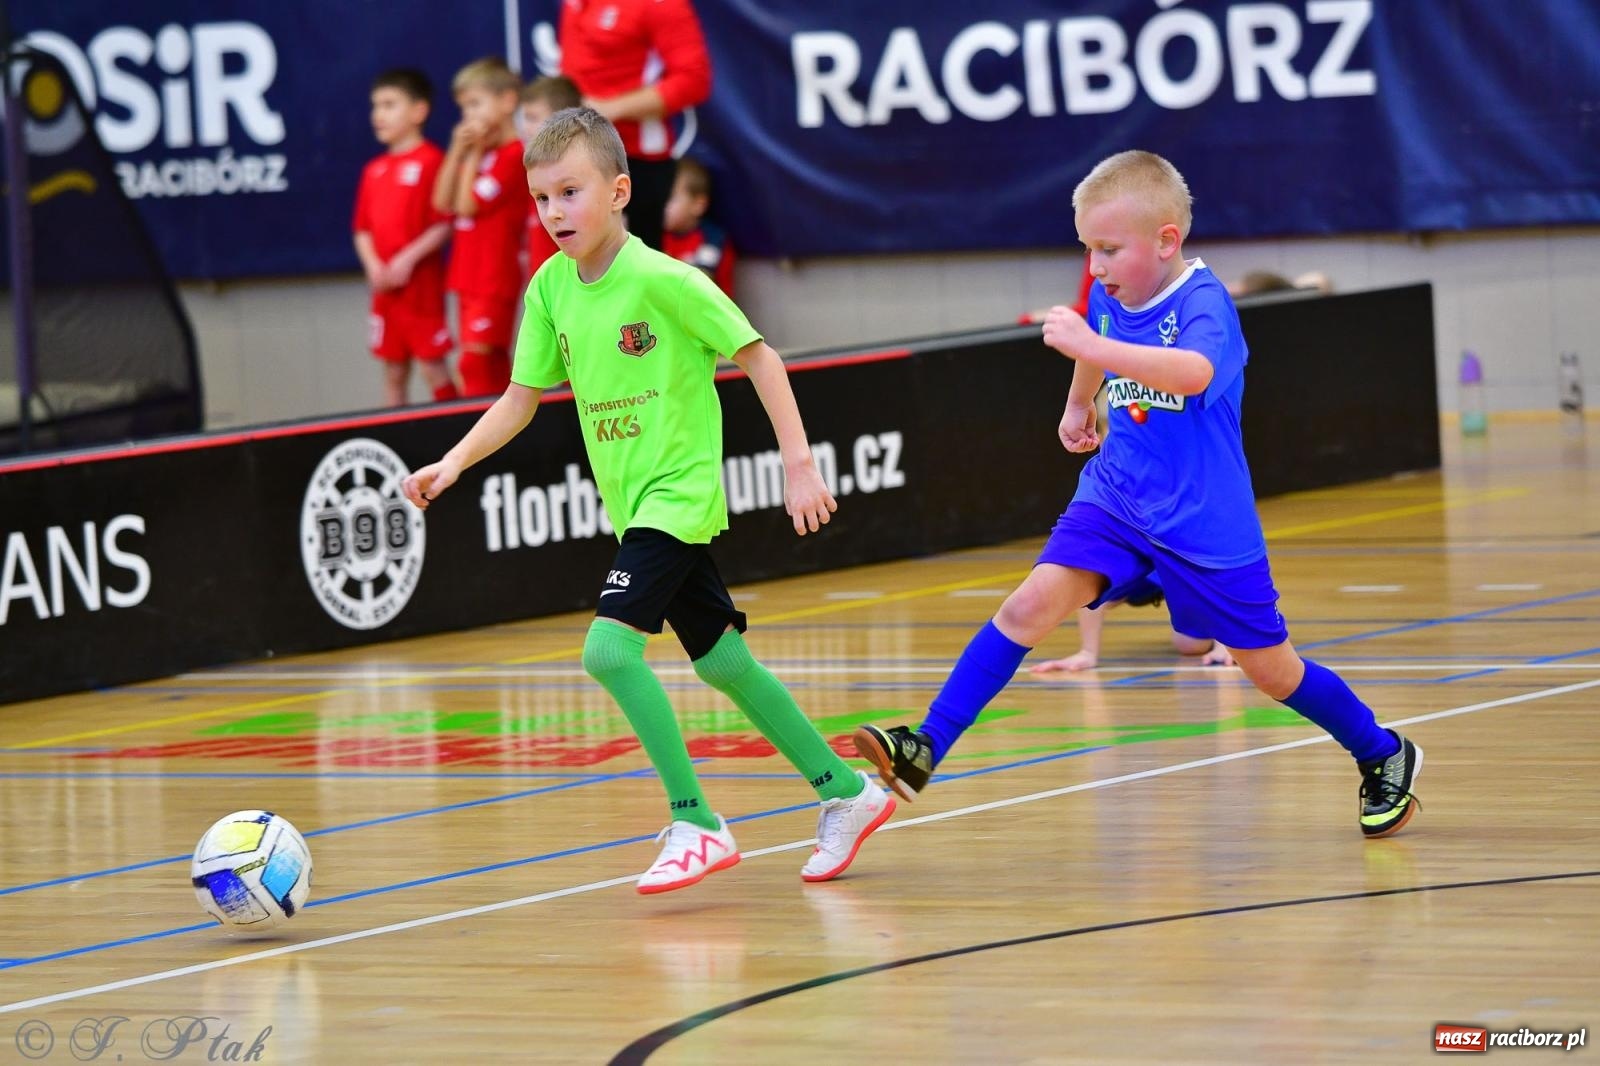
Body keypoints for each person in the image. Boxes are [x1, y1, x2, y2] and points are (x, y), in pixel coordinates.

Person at [853, 150, 1422, 840]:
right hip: (1118, 499)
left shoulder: (1205, 305)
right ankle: (927, 745)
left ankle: (1383, 752)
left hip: (1205, 523)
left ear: (1166, 241)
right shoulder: (1113, 295)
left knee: (1273, 673)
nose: (1096, 268)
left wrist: (1091, 343)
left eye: (1108, 249)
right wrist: (1077, 404)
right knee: (1029, 604)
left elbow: (1191, 372)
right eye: (1088, 249)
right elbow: (1099, 346)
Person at [401, 108, 894, 894]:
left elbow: (761, 359)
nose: (555, 212)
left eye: (570, 191)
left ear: (620, 189)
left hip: (679, 494)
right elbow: (520, 398)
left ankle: (695, 819)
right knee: (723, 660)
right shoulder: (550, 291)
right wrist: (453, 462)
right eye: (541, 198)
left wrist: (798, 464)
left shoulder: (667, 281)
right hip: (632, 505)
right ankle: (847, 792)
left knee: (608, 650)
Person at [559, 0, 712, 251]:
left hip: (637, 161)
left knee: (638, 269)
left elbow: (694, 79)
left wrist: (609, 110)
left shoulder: (660, 4)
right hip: (579, 152)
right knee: (580, 262)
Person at [352, 69, 456, 406]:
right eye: (375, 106)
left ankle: (457, 437)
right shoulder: (373, 169)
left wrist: (406, 259)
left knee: (433, 368)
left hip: (420, 289)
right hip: (386, 293)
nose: (378, 114)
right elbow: (362, 229)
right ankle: (395, 447)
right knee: (393, 373)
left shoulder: (433, 161)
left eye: (389, 104)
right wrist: (373, 266)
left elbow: (444, 223)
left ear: (418, 111)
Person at [433, 57, 530, 397]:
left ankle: (481, 441)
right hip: (467, 274)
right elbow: (442, 202)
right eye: (463, 108)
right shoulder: (481, 154)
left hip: (494, 274)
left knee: (472, 363)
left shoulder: (514, 154)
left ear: (507, 102)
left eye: (475, 104)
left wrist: (471, 155)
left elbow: (466, 205)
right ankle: (510, 440)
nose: (468, 116)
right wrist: (457, 150)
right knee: (491, 363)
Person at [1028, 575, 1234, 673]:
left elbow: (1218, 578)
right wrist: (1087, 652)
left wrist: (1224, 646)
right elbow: (1088, 590)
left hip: (1185, 569)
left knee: (1190, 644)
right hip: (1144, 562)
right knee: (1188, 646)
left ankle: (1226, 626)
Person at [518, 75, 582, 285]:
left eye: (532, 117)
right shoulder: (535, 164)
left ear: (560, 119)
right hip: (542, 279)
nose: (525, 127)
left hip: (569, 281)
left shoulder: (577, 167)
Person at [663, 157, 735, 297]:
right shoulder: (650, 236)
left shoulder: (713, 240)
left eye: (670, 197)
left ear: (698, 205)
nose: (662, 204)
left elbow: (699, 290)